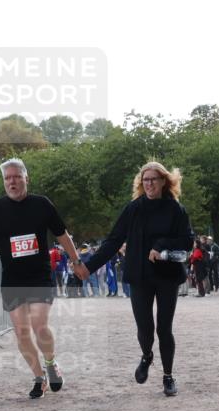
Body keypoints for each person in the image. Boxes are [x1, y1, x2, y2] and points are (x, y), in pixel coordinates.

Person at [0, 158, 83, 399]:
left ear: (26, 178)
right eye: (7, 178)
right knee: (21, 332)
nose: (12, 181)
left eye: (16, 176)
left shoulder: (42, 204)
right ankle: (39, 377)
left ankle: (51, 363)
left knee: (40, 326)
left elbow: (62, 234)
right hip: (12, 279)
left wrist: (76, 260)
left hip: (39, 276)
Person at [80, 161, 194, 397]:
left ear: (164, 181)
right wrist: (89, 266)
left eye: (154, 179)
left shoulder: (176, 210)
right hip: (139, 275)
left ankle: (168, 376)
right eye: (145, 180)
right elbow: (112, 241)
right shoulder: (134, 209)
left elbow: (187, 241)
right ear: (141, 183)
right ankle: (146, 355)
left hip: (167, 275)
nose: (149, 183)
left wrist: (160, 245)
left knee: (165, 328)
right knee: (145, 328)